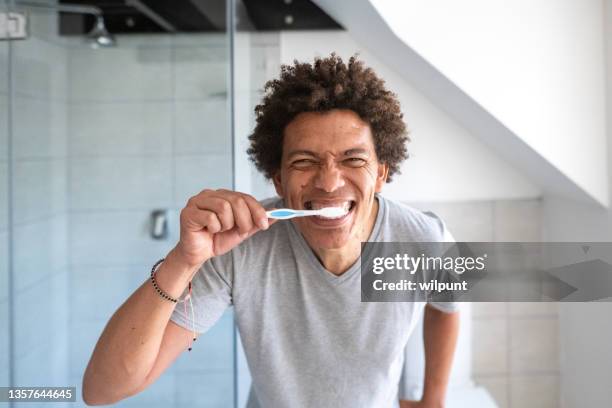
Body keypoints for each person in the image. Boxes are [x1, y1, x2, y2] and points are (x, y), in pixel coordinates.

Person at [82, 54, 460, 408]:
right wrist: (184, 259)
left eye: (353, 159)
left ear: (380, 173)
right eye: (304, 161)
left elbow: (449, 306)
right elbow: (102, 390)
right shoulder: (240, 247)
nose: (329, 183)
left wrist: (433, 399)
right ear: (278, 180)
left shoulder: (424, 240)